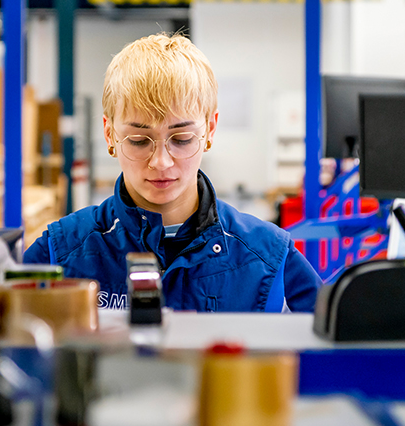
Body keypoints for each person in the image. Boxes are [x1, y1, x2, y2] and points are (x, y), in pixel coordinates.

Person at [24, 33, 323, 312]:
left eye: (181, 139)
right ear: (109, 133)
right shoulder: (59, 253)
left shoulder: (269, 258)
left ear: (210, 130)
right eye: (139, 140)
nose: (161, 162)